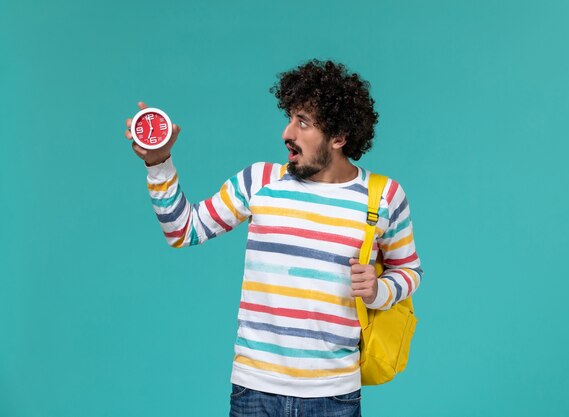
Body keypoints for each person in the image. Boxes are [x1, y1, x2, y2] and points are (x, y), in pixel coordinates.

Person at [124, 59, 422, 417]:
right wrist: (159, 162)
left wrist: (378, 291)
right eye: (290, 118)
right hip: (254, 391)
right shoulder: (259, 182)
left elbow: (409, 272)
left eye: (303, 122)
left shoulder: (384, 196)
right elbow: (183, 230)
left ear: (339, 137)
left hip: (335, 397)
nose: (287, 133)